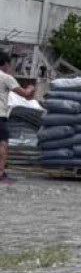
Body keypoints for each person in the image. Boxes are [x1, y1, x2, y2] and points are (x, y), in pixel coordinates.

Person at [0, 54, 33, 186]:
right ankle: (1, 172)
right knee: (2, 144)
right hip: (0, 115)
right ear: (6, 64)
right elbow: (24, 94)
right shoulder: (6, 77)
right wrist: (30, 88)